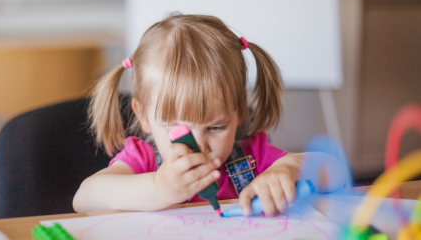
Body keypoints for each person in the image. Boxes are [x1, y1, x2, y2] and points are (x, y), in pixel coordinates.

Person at [73, 14, 339, 215]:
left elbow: (334, 169)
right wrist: (159, 187)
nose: (199, 145)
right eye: (177, 130)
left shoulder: (251, 158)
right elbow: (83, 198)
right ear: (143, 117)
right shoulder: (143, 160)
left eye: (216, 128)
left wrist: (287, 170)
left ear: (238, 113)